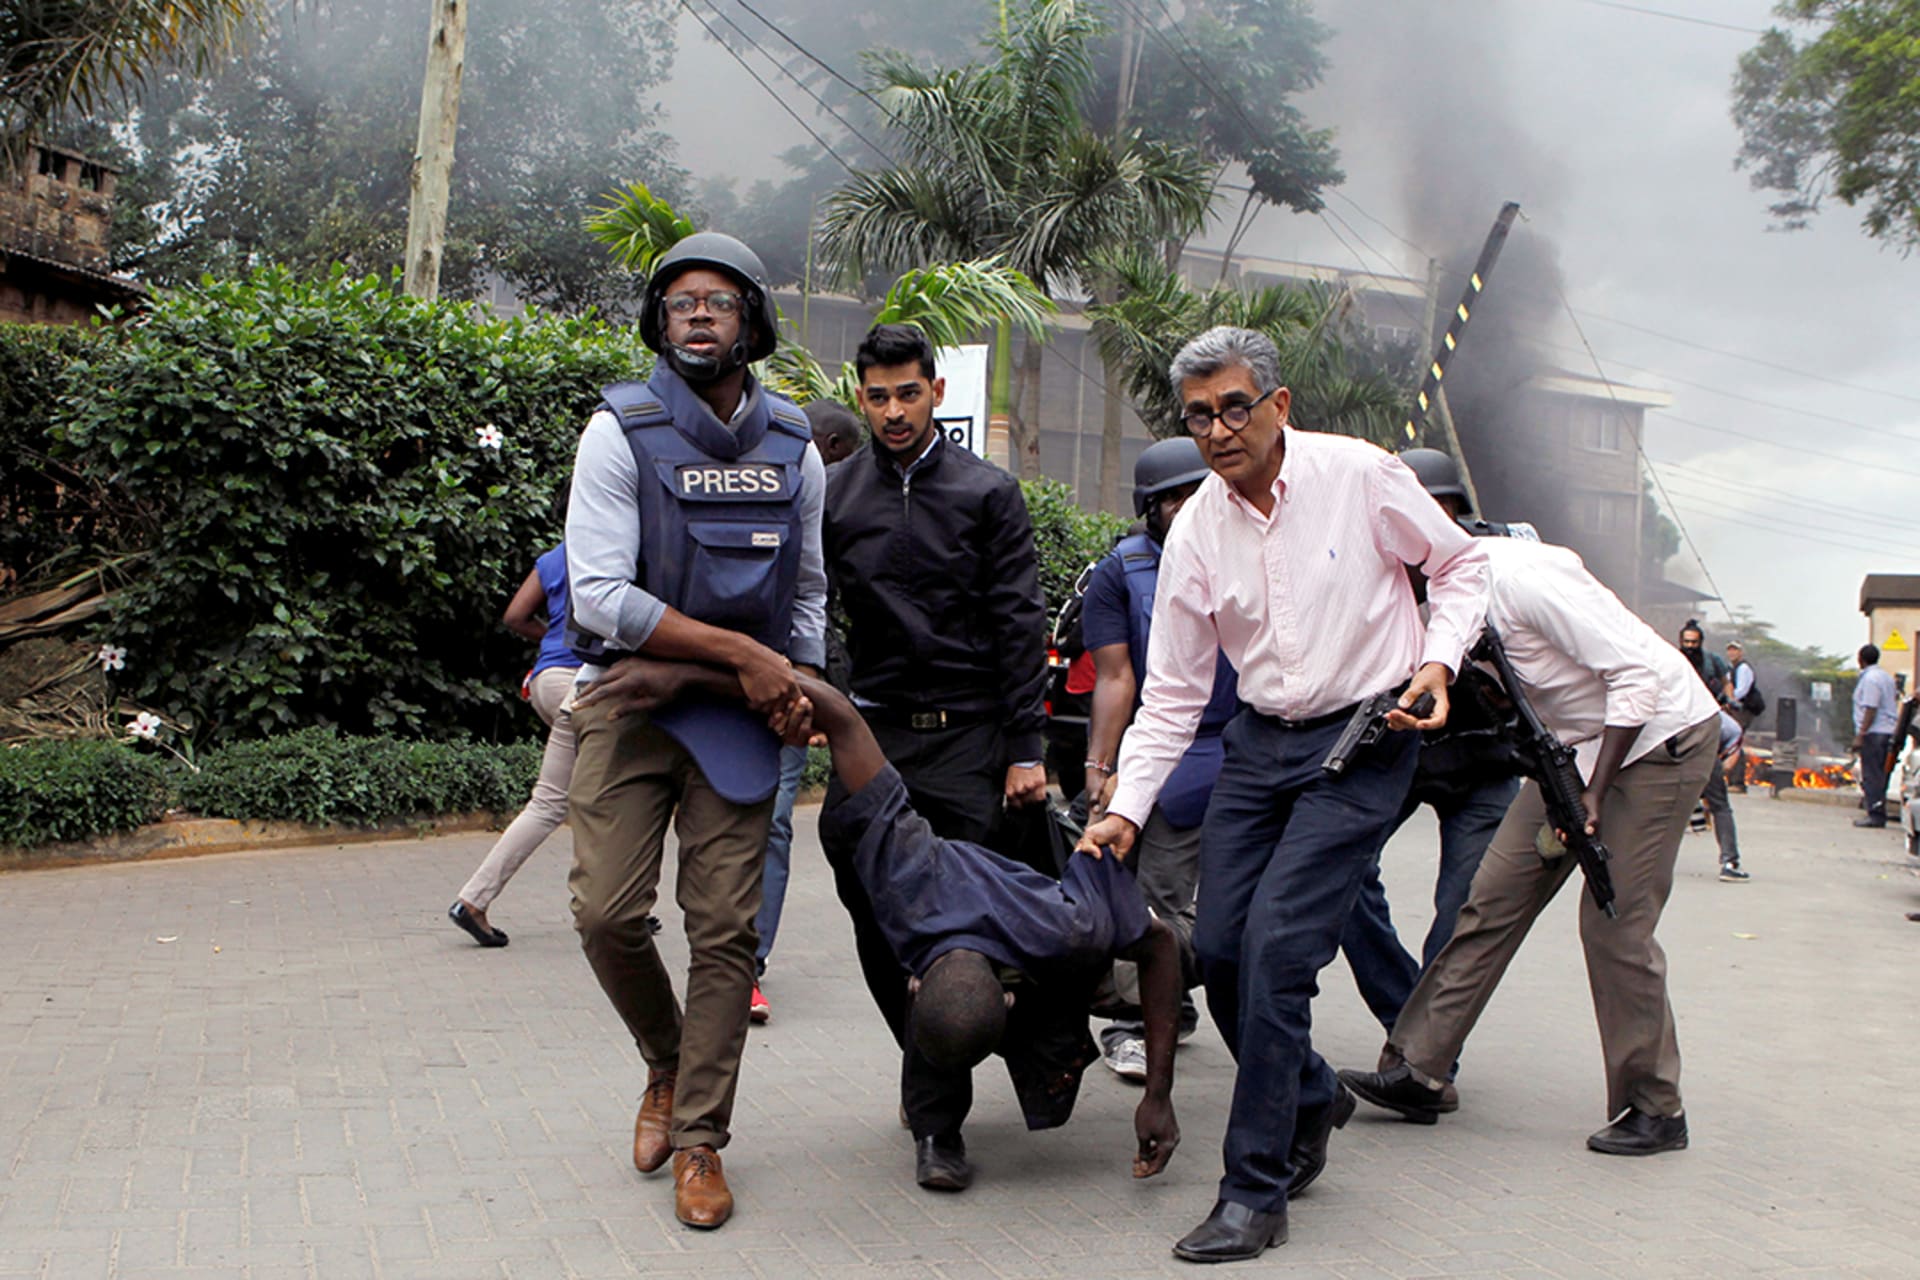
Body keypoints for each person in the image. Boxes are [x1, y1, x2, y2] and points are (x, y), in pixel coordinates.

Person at [1079, 326, 1489, 1264]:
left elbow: (1463, 565)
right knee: (1217, 952)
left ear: (1278, 405)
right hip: (1258, 748)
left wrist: (1437, 660)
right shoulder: (1194, 533)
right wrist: (1124, 809)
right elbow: (1175, 693)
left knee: (1276, 957)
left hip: (1366, 741)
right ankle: (1311, 1093)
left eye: (1234, 406)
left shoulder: (1362, 476)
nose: (1219, 430)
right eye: (1199, 414)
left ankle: (1254, 1191)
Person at [575, 656, 1186, 1187]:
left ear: (919, 984)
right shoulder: (909, 871)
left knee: (1201, 953)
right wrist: (688, 679)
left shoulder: (1066, 927)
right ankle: (937, 1127)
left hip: (1054, 908)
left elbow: (1158, 949)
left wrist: (1159, 1097)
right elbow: (841, 715)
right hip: (986, 900)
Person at [563, 231, 827, 1230]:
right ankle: (665, 1059)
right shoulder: (617, 429)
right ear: (658, 320)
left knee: (729, 933)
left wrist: (788, 677)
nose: (699, 312)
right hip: (630, 706)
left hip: (743, 718)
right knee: (603, 913)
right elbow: (598, 594)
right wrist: (744, 654)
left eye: (719, 299)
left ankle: (701, 1135)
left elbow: (806, 590)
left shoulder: (794, 444)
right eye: (681, 301)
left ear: (751, 320)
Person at [1338, 533, 1720, 1160]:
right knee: (1491, 898)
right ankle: (1419, 1070)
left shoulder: (1524, 582)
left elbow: (1637, 677)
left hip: (1655, 741)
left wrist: (1593, 796)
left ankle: (1654, 1106)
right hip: (1568, 750)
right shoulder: (1438, 603)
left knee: (1613, 923)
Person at [820, 322, 1051, 1194]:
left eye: (907, 393)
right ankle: (933, 1053)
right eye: (876, 396)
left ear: (936, 393)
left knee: (953, 931)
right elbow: (816, 608)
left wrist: (1026, 748)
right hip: (873, 741)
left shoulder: (987, 492)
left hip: (970, 741)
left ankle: (937, 1121)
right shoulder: (835, 494)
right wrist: (829, 700)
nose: (891, 411)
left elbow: (1018, 622)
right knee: (875, 916)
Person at [1336, 449, 1526, 1053]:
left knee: (1465, 909)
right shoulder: (1369, 571)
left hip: (1485, 765)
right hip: (1399, 756)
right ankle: (1408, 1017)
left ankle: (1427, 1049)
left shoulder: (1491, 573)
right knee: (1337, 871)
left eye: (1435, 508)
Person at [1079, 438, 1230, 1080]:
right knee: (1151, 894)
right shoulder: (1123, 572)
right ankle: (1137, 1021)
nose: (1190, 507)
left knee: (1196, 902)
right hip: (1163, 752)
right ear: (1151, 506)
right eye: (1176, 497)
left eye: (1200, 493)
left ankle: (1162, 1008)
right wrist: (1100, 768)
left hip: (1241, 745)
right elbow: (1117, 678)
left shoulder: (1244, 553)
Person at [748, 400, 865, 1025]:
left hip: (790, 678)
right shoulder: (759, 479)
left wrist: (810, 676)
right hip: (720, 677)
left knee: (772, 821)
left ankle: (746, 966)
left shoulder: (833, 503)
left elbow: (815, 593)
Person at [448, 542, 583, 947]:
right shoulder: (622, 546)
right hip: (585, 686)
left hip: (547, 680)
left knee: (595, 795)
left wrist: (552, 639)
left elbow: (515, 616)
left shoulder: (557, 556)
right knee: (558, 803)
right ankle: (474, 900)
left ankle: (618, 907)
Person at [1853, 642, 1899, 829]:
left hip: (1875, 733)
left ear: (1861, 659)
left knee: (1872, 775)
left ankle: (1875, 815)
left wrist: (1861, 734)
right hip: (1887, 731)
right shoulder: (1886, 677)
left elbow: (1870, 708)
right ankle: (1878, 809)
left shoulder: (1870, 679)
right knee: (1880, 775)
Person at [1703, 710, 1750, 880]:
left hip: (1670, 750)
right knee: (1721, 807)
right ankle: (1730, 862)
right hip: (1705, 754)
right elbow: (1728, 766)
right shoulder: (1731, 727)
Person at [1724, 640, 1760, 791]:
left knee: (1735, 743)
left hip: (1743, 710)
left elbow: (1741, 691)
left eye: (1735, 650)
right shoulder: (1731, 669)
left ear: (1741, 652)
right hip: (1734, 709)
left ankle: (1738, 782)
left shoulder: (1743, 668)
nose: (1732, 653)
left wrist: (1729, 699)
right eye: (1730, 650)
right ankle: (1732, 780)